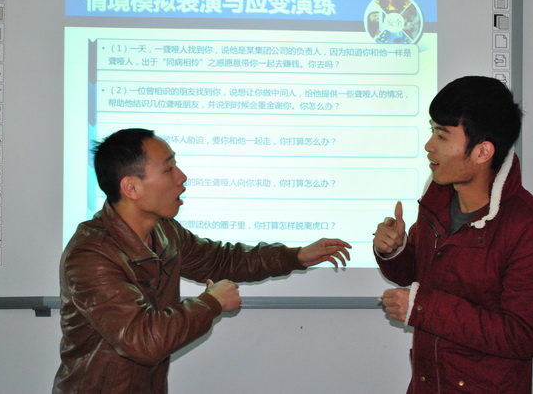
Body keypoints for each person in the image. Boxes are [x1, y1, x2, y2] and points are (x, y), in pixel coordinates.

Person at [53, 128, 351, 393]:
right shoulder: (91, 254)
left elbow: (221, 259)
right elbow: (142, 340)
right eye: (169, 168)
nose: (182, 177)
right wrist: (211, 302)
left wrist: (295, 256)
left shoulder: (165, 231)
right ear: (131, 188)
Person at [373, 76, 533, 393]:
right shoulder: (437, 200)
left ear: (483, 151)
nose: (429, 146)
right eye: (432, 131)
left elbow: (523, 336)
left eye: (442, 135)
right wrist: (394, 250)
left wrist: (422, 308)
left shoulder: (529, 227)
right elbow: (416, 274)